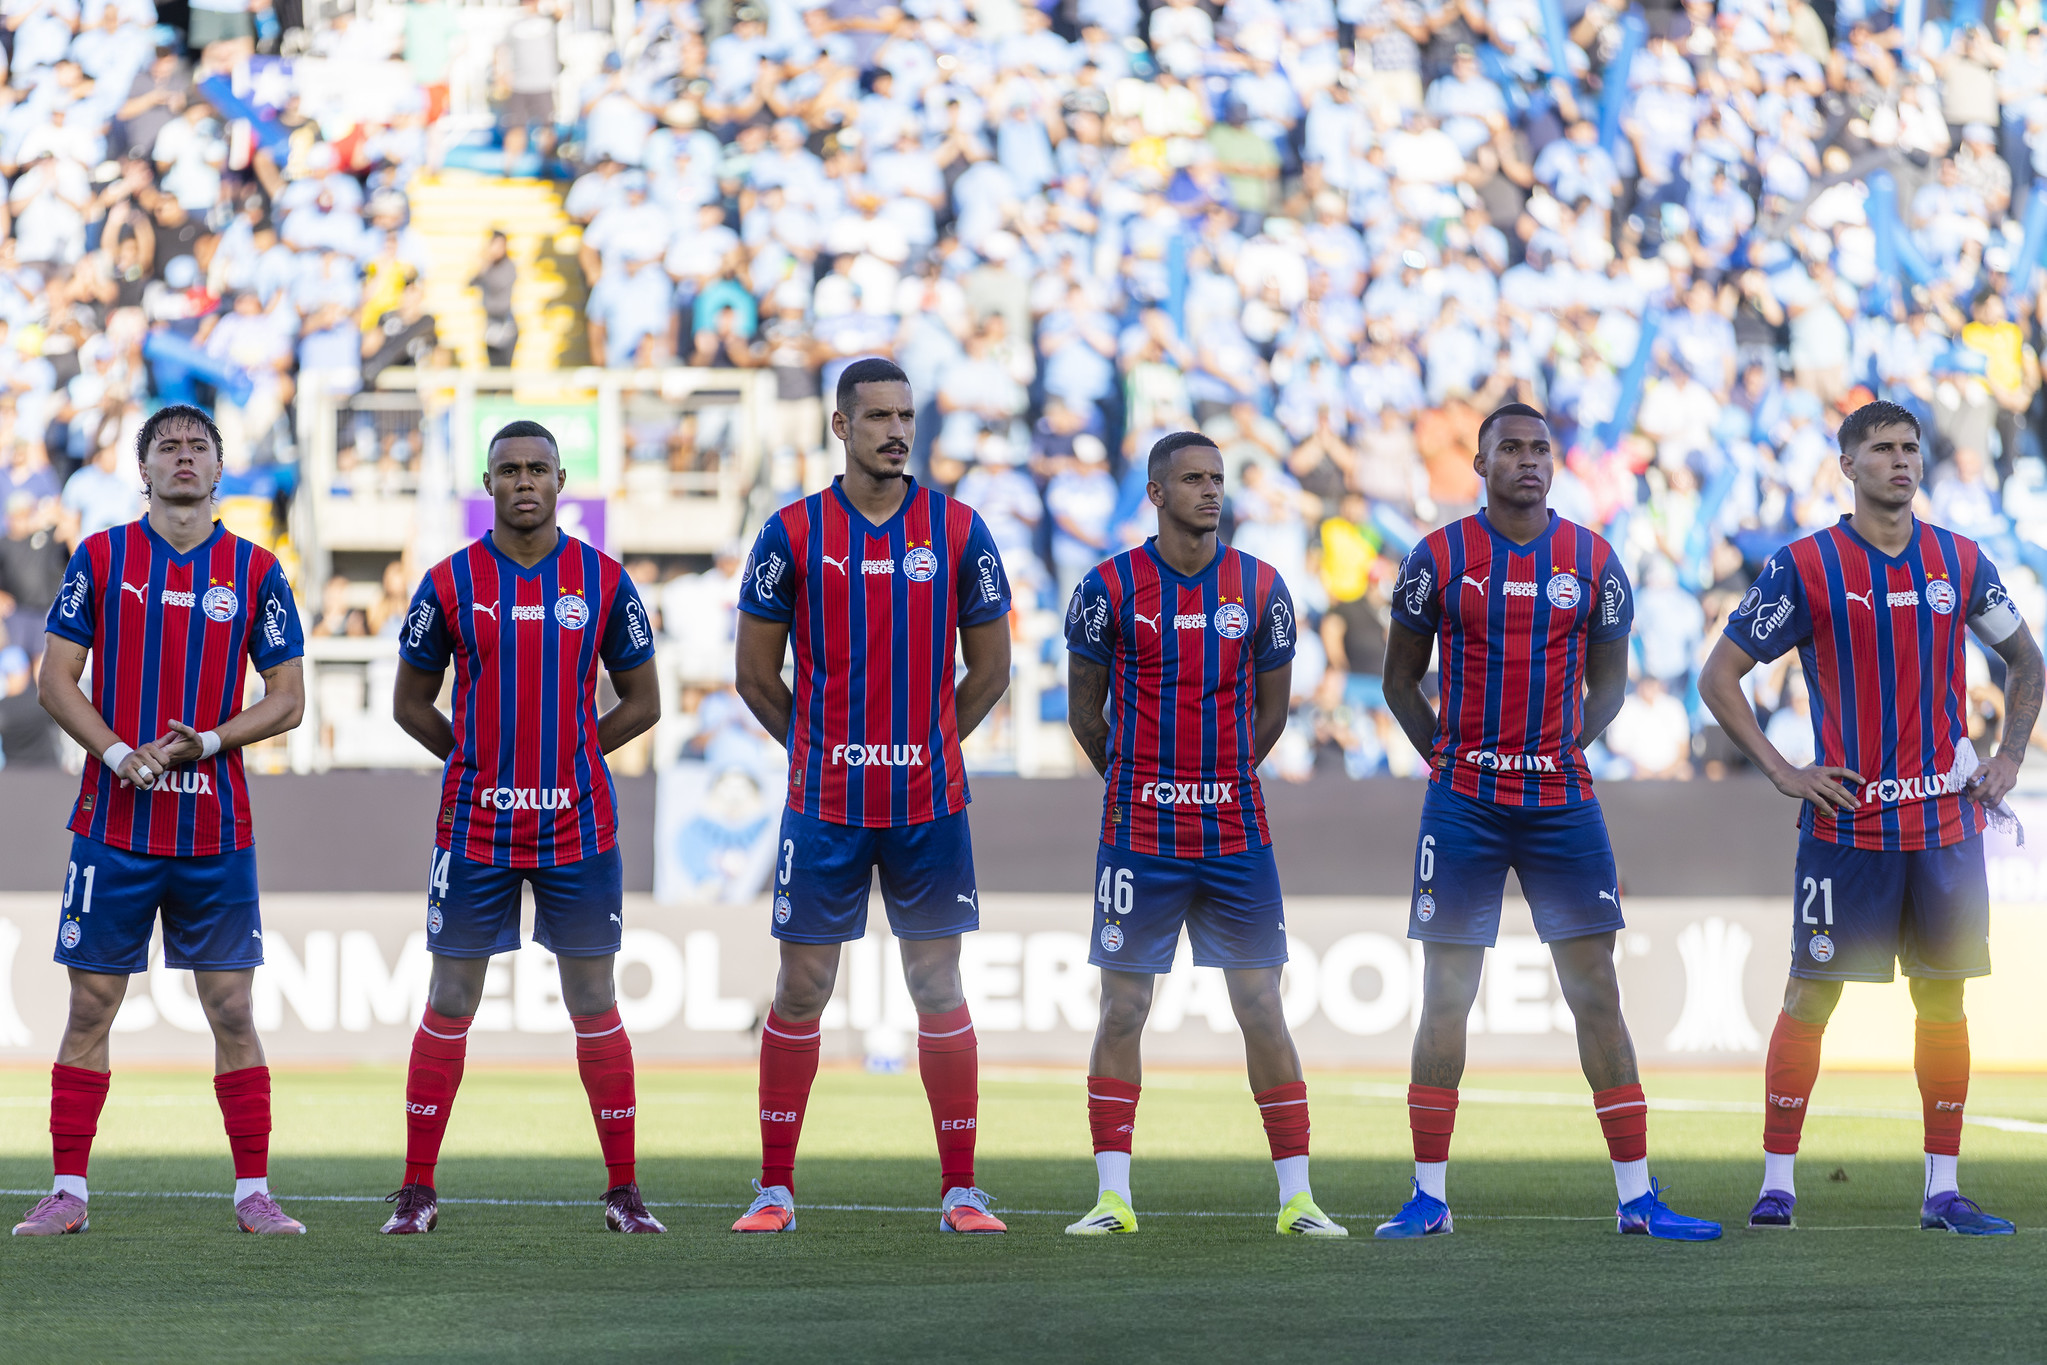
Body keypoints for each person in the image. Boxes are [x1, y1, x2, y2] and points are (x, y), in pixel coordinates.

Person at [1375, 403, 1721, 1242]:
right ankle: (1428, 1196)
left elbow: (1607, 683)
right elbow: (1397, 681)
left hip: (1561, 802)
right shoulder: (1437, 558)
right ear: (1480, 462)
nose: (1527, 461)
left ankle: (1637, 1198)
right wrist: (1452, 763)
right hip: (1463, 804)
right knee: (1445, 996)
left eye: (1539, 450)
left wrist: (1557, 747)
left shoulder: (1593, 561)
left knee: (1595, 990)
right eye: (1510, 449)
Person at [1698, 401, 2043, 1236]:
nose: (1902, 461)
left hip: (1943, 826)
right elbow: (1719, 675)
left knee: (1943, 1002)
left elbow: (2026, 660)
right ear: (1846, 464)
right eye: (1882, 449)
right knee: (1809, 995)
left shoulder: (1959, 561)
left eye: (1910, 449)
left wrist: (2008, 756)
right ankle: (1777, 1181)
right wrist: (1783, 770)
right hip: (1846, 826)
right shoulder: (1806, 566)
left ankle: (1942, 1191)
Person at [732, 357, 1013, 1235]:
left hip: (929, 804)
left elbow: (992, 668)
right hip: (824, 804)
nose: (897, 431)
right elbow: (753, 673)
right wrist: (822, 751)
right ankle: (774, 1187)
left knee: (938, 985)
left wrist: (924, 747)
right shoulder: (790, 533)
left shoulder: (960, 530)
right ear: (840, 427)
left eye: (907, 415)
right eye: (879, 416)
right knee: (802, 985)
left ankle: (960, 1188)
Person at [14, 405, 308, 1237]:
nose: (184, 458)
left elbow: (287, 700)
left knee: (232, 1011)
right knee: (89, 1007)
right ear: (142, 470)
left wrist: (206, 740)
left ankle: (254, 1191)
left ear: (220, 470)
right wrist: (116, 753)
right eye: (168, 448)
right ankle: (68, 1191)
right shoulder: (102, 556)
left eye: (198, 448)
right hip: (112, 825)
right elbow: (55, 680)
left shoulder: (257, 570)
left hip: (215, 828)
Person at [381, 419, 664, 1236]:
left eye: (538, 469)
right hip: (474, 827)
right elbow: (409, 702)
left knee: (593, 1002)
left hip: (579, 824)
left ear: (562, 479)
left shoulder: (604, 582)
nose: (524, 482)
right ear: (489, 482)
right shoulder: (447, 582)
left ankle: (623, 1190)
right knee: (450, 998)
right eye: (509, 470)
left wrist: (572, 754)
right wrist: (475, 760)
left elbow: (642, 701)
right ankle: (416, 1188)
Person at [1061, 431, 1345, 1239]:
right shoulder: (1106, 585)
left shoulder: (1261, 586)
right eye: (1192, 479)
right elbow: (1086, 711)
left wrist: (1214, 775)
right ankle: (1113, 1195)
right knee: (1123, 1007)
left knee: (1261, 1005)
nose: (1210, 491)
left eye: (1217, 478)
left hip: (1233, 827)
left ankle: (1297, 1195)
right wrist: (1139, 779)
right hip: (1137, 829)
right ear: (1154, 492)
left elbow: (1271, 712)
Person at [472, 232, 518, 368]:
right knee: (493, 368)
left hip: (505, 321)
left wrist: (485, 264)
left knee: (504, 369)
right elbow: (472, 282)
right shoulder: (488, 267)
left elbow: (497, 285)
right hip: (491, 322)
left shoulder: (508, 266)